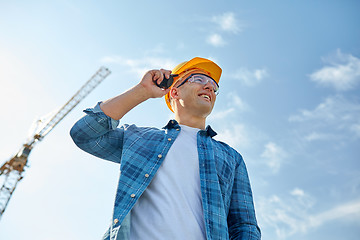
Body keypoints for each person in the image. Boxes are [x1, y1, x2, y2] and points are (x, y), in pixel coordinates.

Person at [70, 57, 261, 240]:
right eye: (198, 79)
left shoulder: (231, 157)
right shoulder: (139, 139)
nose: (210, 86)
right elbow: (84, 134)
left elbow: (245, 226)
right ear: (174, 92)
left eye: (214, 85)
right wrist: (142, 91)